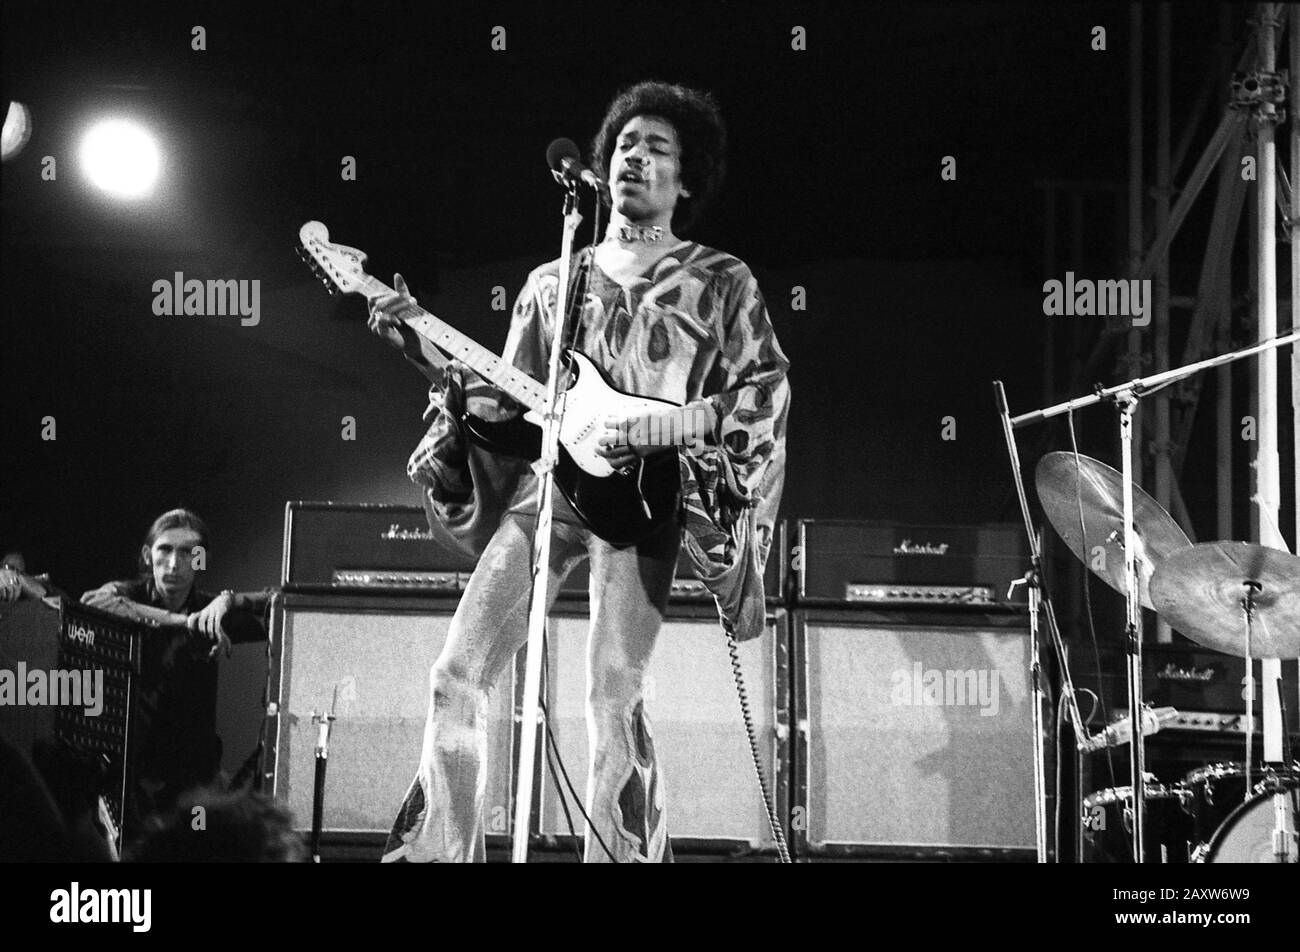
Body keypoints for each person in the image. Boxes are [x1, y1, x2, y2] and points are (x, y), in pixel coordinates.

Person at [372, 81, 790, 863]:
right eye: (625, 144)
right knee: (455, 675)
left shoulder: (721, 279)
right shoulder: (551, 281)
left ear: (686, 180)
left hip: (644, 506)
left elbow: (764, 391)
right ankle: (443, 854)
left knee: (612, 699)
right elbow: (505, 404)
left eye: (657, 148)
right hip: (550, 492)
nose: (636, 156)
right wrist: (427, 354)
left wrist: (671, 424)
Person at [79, 508, 272, 829]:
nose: (173, 564)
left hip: (194, 778)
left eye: (186, 553)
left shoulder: (213, 611)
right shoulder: (128, 594)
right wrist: (184, 622)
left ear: (200, 560)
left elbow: (284, 602)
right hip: (133, 774)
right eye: (165, 550)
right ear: (147, 555)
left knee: (196, 844)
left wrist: (229, 601)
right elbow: (93, 603)